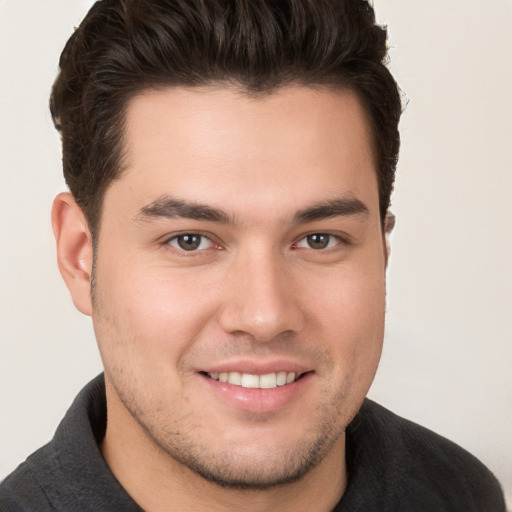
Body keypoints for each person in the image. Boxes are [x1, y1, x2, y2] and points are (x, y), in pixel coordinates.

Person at [0, 0, 507, 510]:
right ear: (79, 255)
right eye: (190, 240)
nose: (265, 316)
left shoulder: (461, 493)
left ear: (382, 248)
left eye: (319, 239)